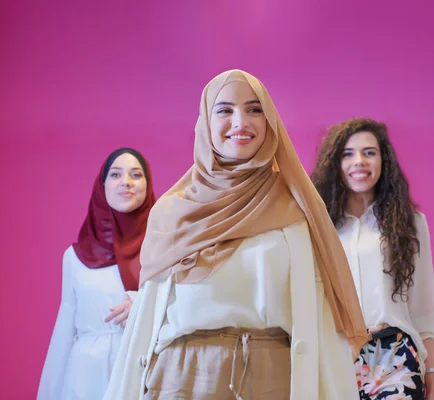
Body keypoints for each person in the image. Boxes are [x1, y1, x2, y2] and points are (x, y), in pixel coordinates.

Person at [103, 70, 368, 400]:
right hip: (180, 377)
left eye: (255, 109)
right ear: (206, 122)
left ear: (270, 120)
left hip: (271, 376)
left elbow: (318, 312)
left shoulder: (295, 209)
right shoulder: (173, 212)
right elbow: (155, 310)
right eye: (225, 110)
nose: (241, 122)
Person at [312, 118, 434, 400]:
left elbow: (422, 307)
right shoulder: (318, 226)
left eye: (369, 152)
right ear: (335, 163)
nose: (359, 161)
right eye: (348, 154)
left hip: (394, 356)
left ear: (384, 161)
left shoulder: (411, 223)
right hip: (335, 353)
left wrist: (432, 374)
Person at [38, 148, 156, 400]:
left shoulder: (165, 247)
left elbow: (184, 308)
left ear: (147, 185)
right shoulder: (75, 256)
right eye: (115, 174)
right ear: (102, 187)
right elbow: (65, 326)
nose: (126, 181)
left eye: (136, 174)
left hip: (146, 370)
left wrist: (143, 304)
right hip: (86, 376)